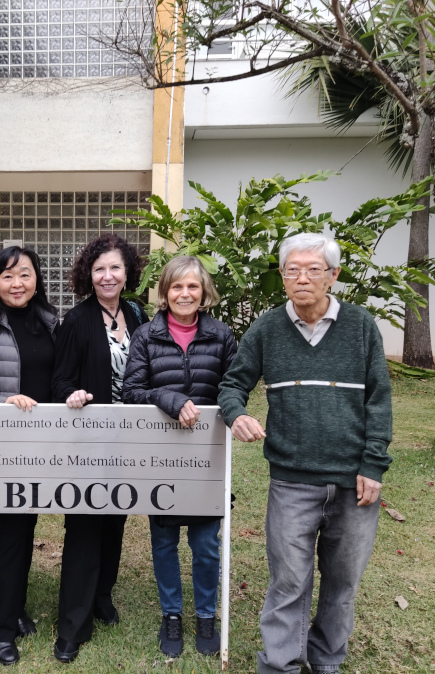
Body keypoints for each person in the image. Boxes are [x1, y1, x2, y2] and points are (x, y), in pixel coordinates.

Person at [217, 232, 392, 674]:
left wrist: (373, 464)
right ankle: (281, 665)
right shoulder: (268, 328)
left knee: (342, 582)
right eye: (293, 269)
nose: (303, 278)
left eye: (314, 269)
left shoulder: (361, 327)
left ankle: (326, 661)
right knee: (289, 581)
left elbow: (379, 400)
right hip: (292, 479)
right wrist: (235, 414)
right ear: (282, 276)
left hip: (355, 482)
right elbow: (233, 383)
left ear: (333, 276)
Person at [122, 256, 237, 658]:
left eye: (192, 287)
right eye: (176, 287)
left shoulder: (222, 336)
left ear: (204, 292)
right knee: (165, 541)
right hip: (162, 454)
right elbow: (131, 391)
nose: (184, 294)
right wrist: (168, 398)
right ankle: (171, 614)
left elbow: (233, 389)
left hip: (207, 456)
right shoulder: (146, 336)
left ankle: (206, 614)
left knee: (206, 544)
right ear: (164, 292)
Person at [51, 233, 147, 663]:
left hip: (130, 440)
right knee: (85, 528)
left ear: (127, 273)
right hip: (89, 440)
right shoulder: (75, 321)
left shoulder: (138, 315)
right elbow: (60, 380)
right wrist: (71, 395)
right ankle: (72, 624)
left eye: (115, 268)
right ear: (88, 276)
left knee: (115, 522)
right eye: (99, 269)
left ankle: (102, 599)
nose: (107, 276)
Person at [0, 246, 58, 666]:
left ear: (36, 278)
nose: (17, 284)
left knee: (27, 525)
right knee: (10, 531)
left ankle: (16, 608)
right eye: (7, 276)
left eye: (24, 274)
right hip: (7, 442)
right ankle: (1, 629)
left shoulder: (52, 321)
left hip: (50, 441)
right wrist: (6, 401)